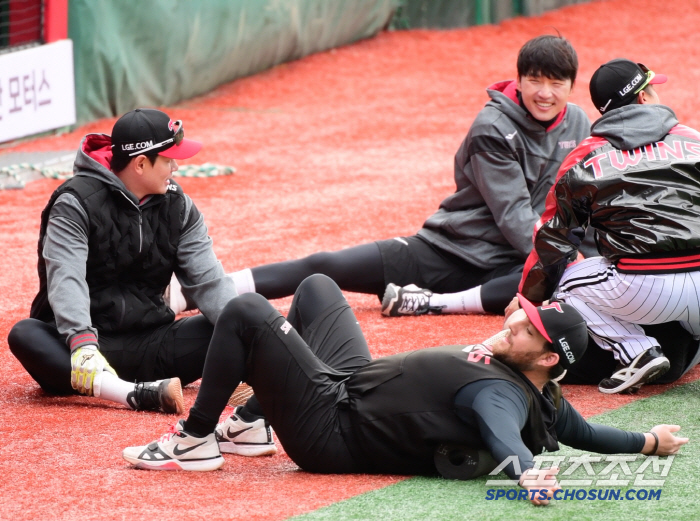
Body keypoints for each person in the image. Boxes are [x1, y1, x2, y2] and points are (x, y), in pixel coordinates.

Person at [122, 274, 687, 506]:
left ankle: (196, 438)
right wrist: (647, 442)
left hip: (332, 426)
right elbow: (586, 433)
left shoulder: (502, 397)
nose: (516, 317)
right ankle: (251, 420)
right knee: (318, 290)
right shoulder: (542, 392)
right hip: (351, 386)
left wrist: (524, 470)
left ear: (543, 358)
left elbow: (501, 433)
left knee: (247, 311)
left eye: (528, 328)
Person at [165, 34, 591, 318]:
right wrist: (564, 258)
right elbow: (514, 213)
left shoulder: (576, 123)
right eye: (535, 80)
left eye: (556, 83)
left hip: (516, 259)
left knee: (567, 270)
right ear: (519, 80)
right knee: (327, 265)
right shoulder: (493, 127)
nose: (545, 93)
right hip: (454, 250)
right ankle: (194, 291)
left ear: (572, 85)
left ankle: (432, 304)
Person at [7, 108, 242, 416]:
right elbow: (67, 278)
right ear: (141, 164)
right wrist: (82, 344)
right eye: (169, 159)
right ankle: (132, 394)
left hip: (153, 343)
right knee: (26, 334)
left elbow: (209, 281)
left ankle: (134, 387)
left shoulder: (179, 206)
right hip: (83, 350)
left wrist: (248, 335)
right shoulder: (75, 202)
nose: (175, 167)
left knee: (231, 326)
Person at [516, 58, 700, 394]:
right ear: (643, 97)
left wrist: (528, 300)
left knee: (566, 283)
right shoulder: (693, 139)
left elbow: (553, 242)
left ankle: (637, 351)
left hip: (644, 292)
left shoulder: (586, 155)